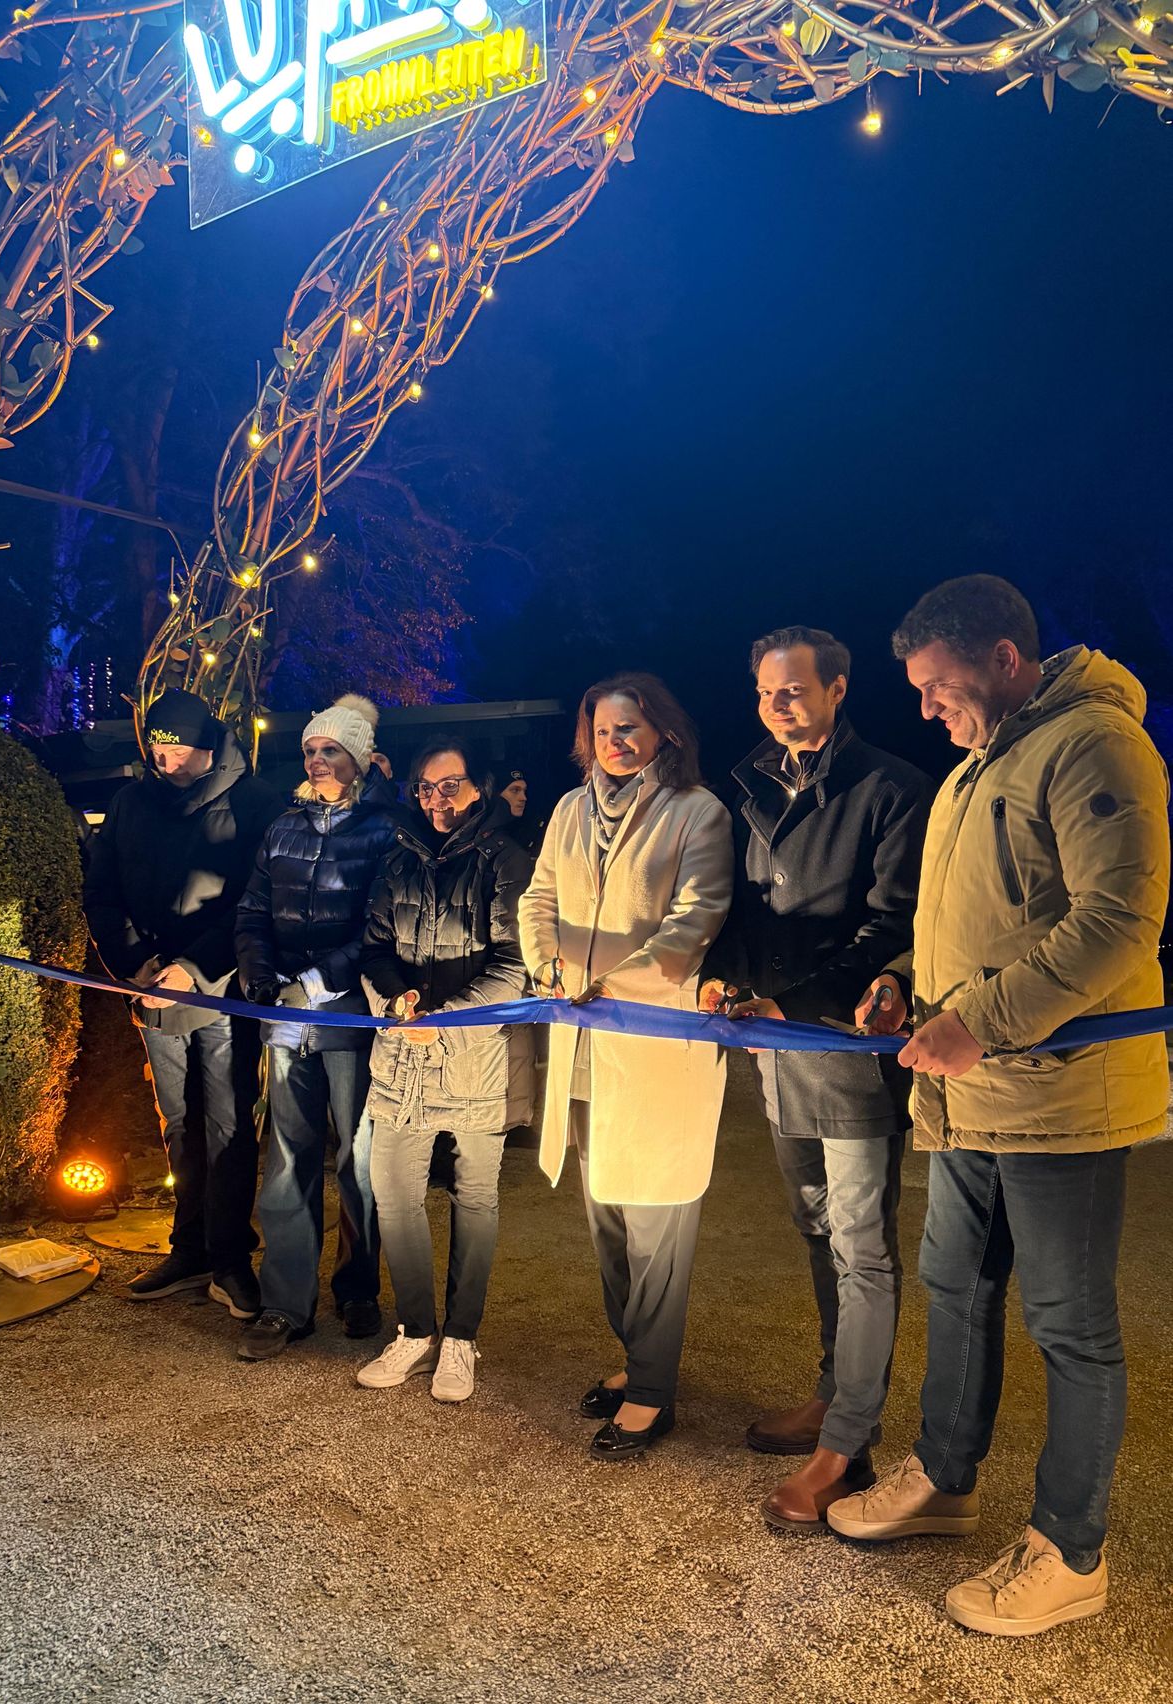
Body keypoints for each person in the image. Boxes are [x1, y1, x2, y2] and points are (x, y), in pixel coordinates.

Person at [826, 576, 1170, 1638]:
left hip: (1062, 1094)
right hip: (974, 1095)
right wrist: (902, 981)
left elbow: (1118, 920)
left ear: (1005, 661)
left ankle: (1071, 1553)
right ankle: (944, 1477)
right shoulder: (980, 766)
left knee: (1070, 1323)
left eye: (939, 685)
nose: (927, 707)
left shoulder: (1095, 744)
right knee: (957, 1286)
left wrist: (977, 1021)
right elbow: (967, 921)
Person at [700, 627, 933, 1530]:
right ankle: (836, 1395)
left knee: (862, 1246)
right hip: (778, 1048)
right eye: (766, 692)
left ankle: (848, 1443)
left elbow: (891, 924)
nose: (778, 706)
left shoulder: (891, 788)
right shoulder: (749, 785)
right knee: (815, 1229)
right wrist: (720, 973)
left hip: (846, 1045)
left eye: (794, 689)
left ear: (838, 688)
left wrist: (796, 1001)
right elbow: (739, 908)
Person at [518, 673, 733, 1460]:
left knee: (655, 1226)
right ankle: (639, 1358)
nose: (614, 742)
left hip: (651, 1047)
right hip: (580, 1049)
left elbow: (695, 919)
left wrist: (614, 985)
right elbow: (539, 898)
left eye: (630, 728)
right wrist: (545, 963)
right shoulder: (569, 810)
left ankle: (652, 1390)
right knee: (606, 1219)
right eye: (603, 730)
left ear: (664, 732)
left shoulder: (697, 812)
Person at [83, 688, 280, 1315]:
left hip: (221, 991)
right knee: (178, 1123)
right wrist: (137, 964)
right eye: (156, 749)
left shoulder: (254, 803)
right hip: (151, 987)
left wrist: (194, 967)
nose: (163, 761)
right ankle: (189, 1247)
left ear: (208, 746)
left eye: (176, 749)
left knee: (227, 1124)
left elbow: (256, 900)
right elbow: (102, 891)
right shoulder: (130, 802)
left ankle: (230, 1257)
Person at [355, 739, 534, 1403]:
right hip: (401, 1052)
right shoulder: (397, 855)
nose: (437, 800)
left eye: (450, 786)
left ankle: (461, 1336)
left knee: (475, 1195)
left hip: (476, 1056)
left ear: (477, 788)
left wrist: (447, 1017)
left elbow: (517, 964)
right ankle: (415, 1329)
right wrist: (392, 1000)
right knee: (393, 1190)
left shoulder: (505, 858)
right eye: (426, 788)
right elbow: (374, 947)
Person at [234, 695, 401, 1360]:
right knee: (286, 1159)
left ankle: (358, 1287)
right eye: (310, 749)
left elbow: (381, 923)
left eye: (332, 749)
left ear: (359, 758)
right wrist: (259, 974)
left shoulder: (384, 831)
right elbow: (252, 910)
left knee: (359, 1158)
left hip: (349, 1018)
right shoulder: (282, 828)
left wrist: (317, 981)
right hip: (284, 1020)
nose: (318, 759)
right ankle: (285, 1303)